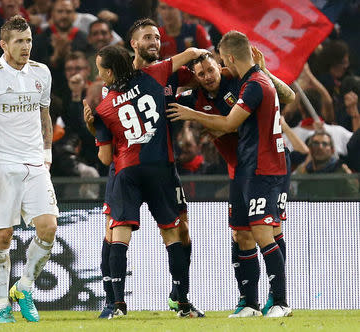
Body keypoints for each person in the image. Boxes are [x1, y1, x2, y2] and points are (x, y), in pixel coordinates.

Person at [84, 18, 203, 319]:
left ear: (108, 71)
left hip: (127, 167)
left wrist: (92, 126)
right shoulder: (156, 73)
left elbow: (105, 157)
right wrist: (204, 51)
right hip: (158, 164)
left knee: (120, 233)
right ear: (133, 45)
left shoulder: (104, 103)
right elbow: (190, 56)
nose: (154, 41)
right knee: (167, 233)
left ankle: (124, 304)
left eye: (157, 37)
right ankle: (121, 302)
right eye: (147, 37)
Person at [167, 30, 292, 317]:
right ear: (195, 77)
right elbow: (164, 108)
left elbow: (290, 96)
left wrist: (265, 71)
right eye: (201, 73)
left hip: (268, 161)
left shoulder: (244, 80)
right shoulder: (194, 98)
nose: (209, 75)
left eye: (212, 68)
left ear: (222, 64)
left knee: (270, 229)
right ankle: (249, 301)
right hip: (241, 168)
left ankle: (279, 299)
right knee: (241, 234)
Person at [0, 15, 59, 323]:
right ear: (4, 44)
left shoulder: (41, 73)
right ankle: (0, 304)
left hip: (34, 163)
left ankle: (23, 287)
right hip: (0, 163)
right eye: (20, 41)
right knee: (3, 238)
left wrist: (47, 152)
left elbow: (44, 114)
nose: (26, 47)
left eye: (29, 40)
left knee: (48, 228)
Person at [294, 131, 358, 199]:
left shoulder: (342, 172)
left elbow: (354, 202)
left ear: (332, 150)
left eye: (325, 144)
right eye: (316, 143)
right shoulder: (303, 172)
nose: (320, 147)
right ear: (310, 149)